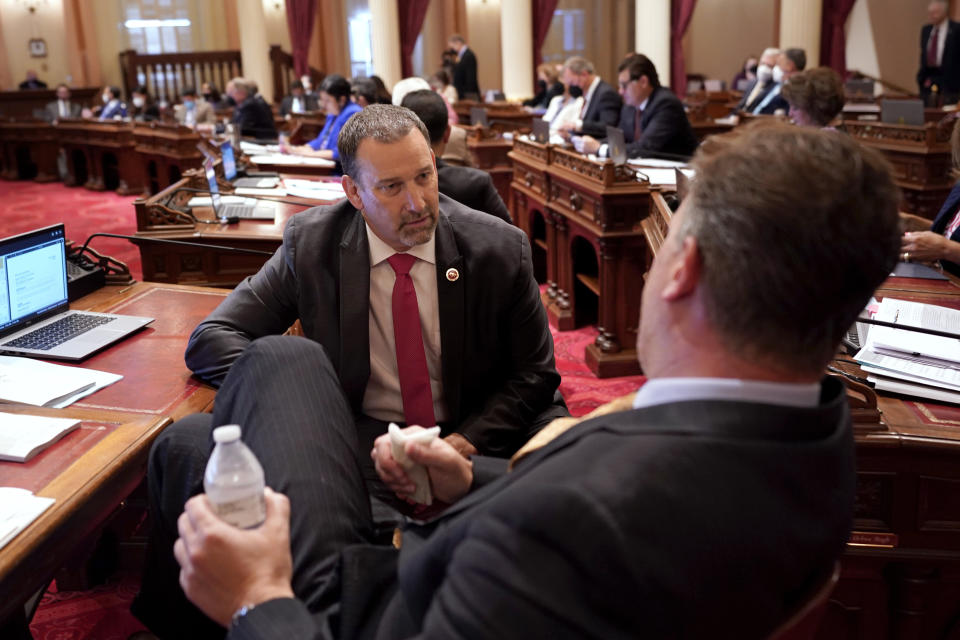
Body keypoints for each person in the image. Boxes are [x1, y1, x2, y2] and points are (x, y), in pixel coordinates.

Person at [137, 121, 900, 639]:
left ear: (684, 271)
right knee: (199, 438)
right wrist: (473, 475)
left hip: (360, 609)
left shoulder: (574, 527)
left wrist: (259, 602)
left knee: (277, 366)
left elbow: (565, 498)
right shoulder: (814, 435)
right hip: (454, 520)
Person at [401, 89, 511, 223]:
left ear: (402, 134)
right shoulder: (476, 182)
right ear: (447, 133)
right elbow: (510, 235)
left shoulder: (390, 187)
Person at [578, 53, 698, 160]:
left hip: (677, 174)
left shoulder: (666, 104)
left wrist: (600, 149)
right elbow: (621, 138)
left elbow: (645, 148)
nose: (620, 91)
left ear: (643, 81)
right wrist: (591, 143)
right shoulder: (631, 105)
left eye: (624, 85)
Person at [902, 118, 960, 276]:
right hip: (941, 280)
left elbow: (946, 245)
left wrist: (946, 249)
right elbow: (950, 234)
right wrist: (911, 222)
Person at [280, 74, 361, 164]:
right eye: (322, 100)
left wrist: (311, 154)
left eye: (327, 100)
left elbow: (342, 153)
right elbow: (322, 140)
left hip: (341, 171)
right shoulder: (334, 114)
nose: (324, 105)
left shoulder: (353, 114)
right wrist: (304, 148)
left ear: (341, 100)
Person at [556, 56, 622, 139]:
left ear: (584, 74)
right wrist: (570, 135)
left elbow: (608, 127)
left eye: (572, 83)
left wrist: (577, 125)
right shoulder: (586, 93)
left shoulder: (606, 94)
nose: (571, 88)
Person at [918, 0, 960, 105]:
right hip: (929, 81)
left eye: (935, 13)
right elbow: (923, 55)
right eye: (930, 13)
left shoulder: (956, 29)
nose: (932, 16)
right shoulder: (926, 30)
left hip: (950, 83)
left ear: (944, 12)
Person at [735, 47, 780, 114]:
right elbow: (741, 105)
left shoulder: (775, 88)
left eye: (769, 65)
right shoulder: (752, 83)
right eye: (762, 64)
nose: (764, 68)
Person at [448, 34, 480, 100]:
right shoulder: (460, 55)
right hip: (462, 92)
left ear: (458, 43)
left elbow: (471, 76)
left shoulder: (468, 55)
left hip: (468, 93)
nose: (453, 50)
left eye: (453, 46)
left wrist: (468, 94)